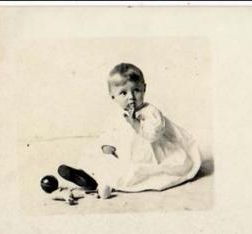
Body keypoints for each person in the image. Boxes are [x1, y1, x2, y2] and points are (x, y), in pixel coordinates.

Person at [50, 62, 201, 195]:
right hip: (123, 154)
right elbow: (108, 132)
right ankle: (87, 178)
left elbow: (154, 134)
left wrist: (135, 123)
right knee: (103, 162)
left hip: (149, 154)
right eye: (123, 92)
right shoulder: (116, 115)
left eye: (136, 90)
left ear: (144, 88)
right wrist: (106, 144)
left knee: (136, 173)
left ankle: (101, 183)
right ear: (113, 97)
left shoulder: (151, 112)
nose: (131, 97)